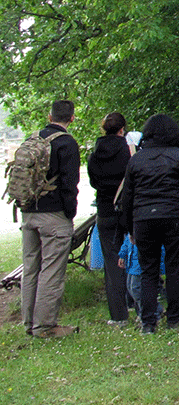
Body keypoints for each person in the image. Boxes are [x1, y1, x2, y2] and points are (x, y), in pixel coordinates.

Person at [122, 113, 179, 333]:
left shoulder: (137, 159)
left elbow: (128, 196)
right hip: (175, 216)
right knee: (174, 268)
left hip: (144, 218)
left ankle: (148, 322)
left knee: (148, 271)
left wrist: (129, 227)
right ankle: (174, 318)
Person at [20, 100, 80, 338]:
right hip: (53, 215)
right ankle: (44, 325)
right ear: (72, 118)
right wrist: (69, 212)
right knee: (51, 270)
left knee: (31, 269)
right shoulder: (67, 143)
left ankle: (29, 323)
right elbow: (69, 184)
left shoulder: (32, 139)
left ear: (49, 115)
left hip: (28, 212)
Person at [86, 112, 134, 327]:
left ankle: (118, 314)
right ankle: (136, 301)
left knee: (112, 261)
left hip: (105, 209)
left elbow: (94, 183)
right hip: (128, 209)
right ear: (122, 129)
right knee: (134, 255)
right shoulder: (129, 151)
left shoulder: (94, 155)